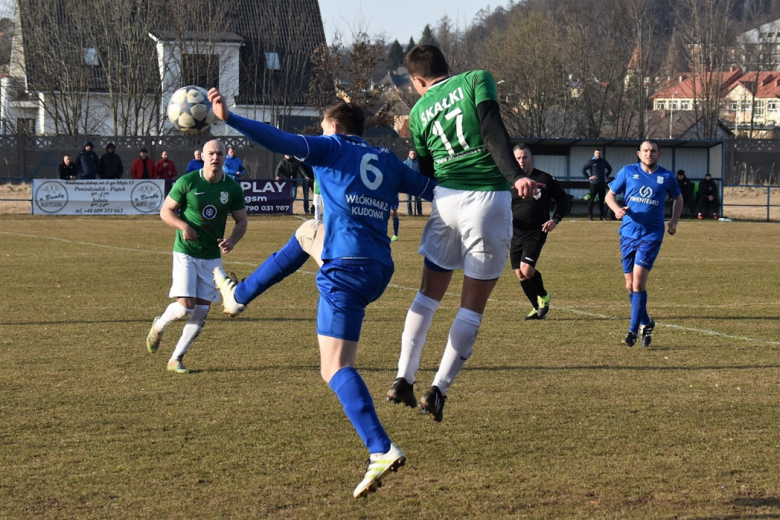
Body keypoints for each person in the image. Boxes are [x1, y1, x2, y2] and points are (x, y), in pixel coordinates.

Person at [207, 88, 435, 499]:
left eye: (323, 126)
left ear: (333, 127)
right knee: (308, 232)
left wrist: (231, 118)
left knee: (334, 368)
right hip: (378, 268)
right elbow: (432, 188)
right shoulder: (385, 160)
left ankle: (380, 448)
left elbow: (276, 138)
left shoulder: (330, 148)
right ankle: (239, 296)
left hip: (345, 270)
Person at [386, 44, 536, 423]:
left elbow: (424, 173)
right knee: (471, 305)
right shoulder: (475, 80)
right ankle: (437, 389)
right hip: (485, 201)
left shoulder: (418, 111)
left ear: (418, 81)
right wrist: (515, 175)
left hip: (446, 201)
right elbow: (492, 130)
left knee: (427, 296)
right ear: (447, 66)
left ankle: (403, 377)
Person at [145, 139, 247, 374]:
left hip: (211, 256)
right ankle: (158, 327)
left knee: (201, 312)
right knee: (185, 308)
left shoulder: (232, 187)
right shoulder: (188, 181)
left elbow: (242, 221)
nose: (216, 157)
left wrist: (232, 240)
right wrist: (183, 226)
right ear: (202, 155)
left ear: (224, 157)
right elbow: (165, 211)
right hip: (186, 252)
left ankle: (176, 359)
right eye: (211, 153)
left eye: (220, 154)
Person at [605, 139, 682, 348]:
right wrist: (616, 209)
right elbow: (610, 195)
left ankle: (632, 331)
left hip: (651, 236)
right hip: (628, 234)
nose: (649, 153)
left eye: (653, 151)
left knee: (638, 283)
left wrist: (674, 221)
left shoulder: (666, 176)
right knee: (629, 285)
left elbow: (678, 198)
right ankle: (646, 322)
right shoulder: (628, 172)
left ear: (659, 154)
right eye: (646, 150)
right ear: (639, 154)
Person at [511, 144, 570, 321]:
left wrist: (555, 219)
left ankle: (543, 295)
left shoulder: (544, 178)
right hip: (514, 232)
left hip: (537, 230)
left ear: (531, 158)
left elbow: (564, 200)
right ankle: (537, 309)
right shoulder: (510, 180)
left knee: (527, 270)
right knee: (520, 274)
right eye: (518, 158)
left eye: (525, 157)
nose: (522, 160)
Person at [581, 149, 613, 221]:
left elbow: (609, 168)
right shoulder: (591, 161)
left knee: (602, 200)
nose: (598, 154)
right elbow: (583, 169)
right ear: (594, 153)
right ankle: (590, 216)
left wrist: (606, 175)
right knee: (591, 199)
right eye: (596, 153)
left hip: (602, 183)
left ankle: (602, 216)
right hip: (593, 184)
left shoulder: (603, 161)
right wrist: (588, 177)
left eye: (599, 153)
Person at [403, 150, 423, 216]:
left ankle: (419, 212)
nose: (413, 155)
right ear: (409, 154)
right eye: (412, 154)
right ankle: (410, 212)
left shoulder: (420, 163)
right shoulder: (405, 163)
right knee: (409, 199)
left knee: (418, 199)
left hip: (417, 184)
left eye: (414, 154)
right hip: (409, 184)